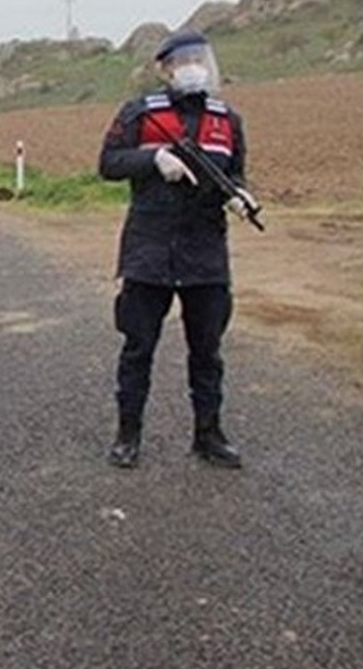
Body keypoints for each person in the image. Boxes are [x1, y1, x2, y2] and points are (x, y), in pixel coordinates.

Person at [98, 29, 251, 470]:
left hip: (205, 254)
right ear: (165, 69)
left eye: (200, 58)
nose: (193, 67)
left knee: (208, 351)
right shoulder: (140, 113)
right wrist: (153, 159)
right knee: (138, 346)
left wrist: (240, 196)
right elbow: (107, 163)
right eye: (183, 60)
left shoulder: (227, 120)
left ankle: (209, 435)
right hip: (149, 250)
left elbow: (235, 173)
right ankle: (128, 435)